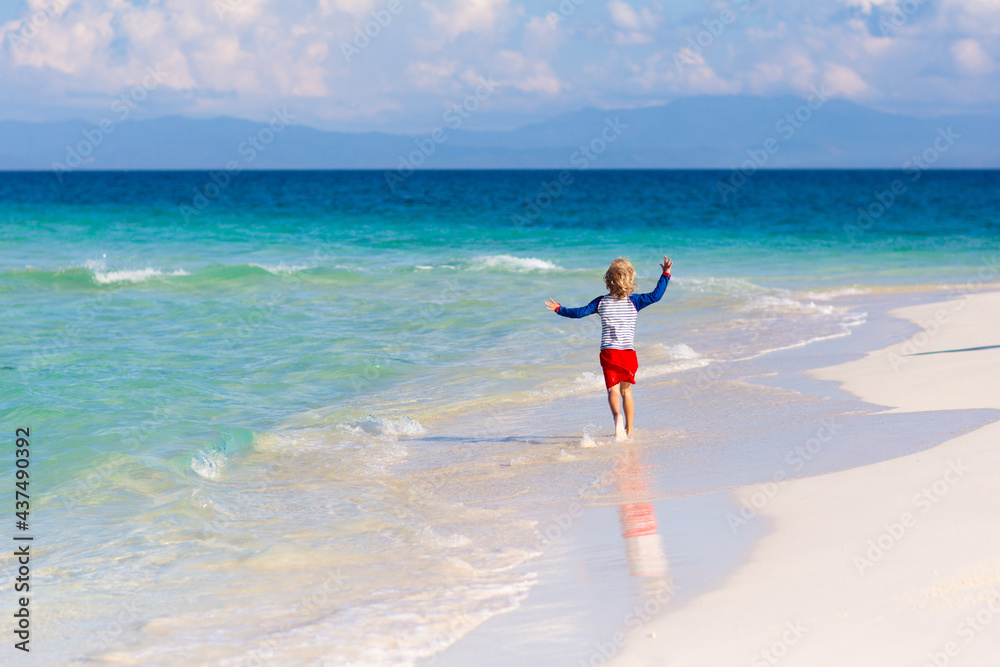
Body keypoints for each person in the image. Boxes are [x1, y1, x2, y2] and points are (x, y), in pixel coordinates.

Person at [545, 256, 672, 440]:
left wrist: (559, 309)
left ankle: (616, 417)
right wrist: (665, 274)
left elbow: (579, 313)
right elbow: (656, 295)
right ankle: (630, 429)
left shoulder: (601, 302)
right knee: (626, 391)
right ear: (630, 280)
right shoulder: (635, 301)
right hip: (628, 354)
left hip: (609, 353)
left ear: (608, 281)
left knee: (612, 390)